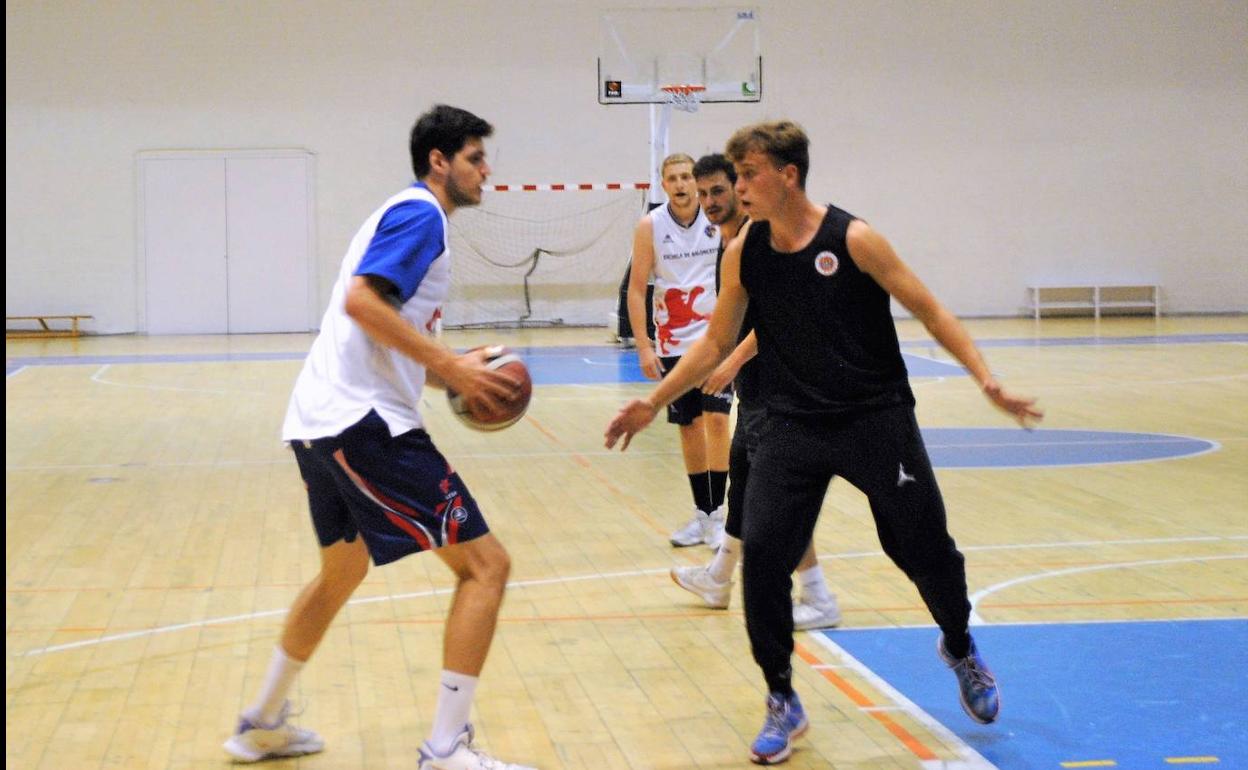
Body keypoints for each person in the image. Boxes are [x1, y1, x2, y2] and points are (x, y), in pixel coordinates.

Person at [607, 120, 1043, 765]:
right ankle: (782, 698)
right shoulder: (744, 251)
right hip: (791, 427)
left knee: (925, 551)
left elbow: (931, 310)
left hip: (876, 420)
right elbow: (714, 340)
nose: (737, 187)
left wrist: (988, 380)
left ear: (787, 175)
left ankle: (959, 644)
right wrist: (654, 398)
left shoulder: (855, 239)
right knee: (763, 565)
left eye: (748, 174)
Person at [223, 105, 536, 770]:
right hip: (364, 424)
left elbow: (378, 330)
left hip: (319, 420)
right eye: (476, 158)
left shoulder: (400, 216)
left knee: (341, 570)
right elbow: (362, 303)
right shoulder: (422, 214)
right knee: (487, 568)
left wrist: (445, 375)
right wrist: (451, 366)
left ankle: (262, 723)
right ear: (439, 161)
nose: (487, 170)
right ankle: (446, 749)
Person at [670, 154, 841, 632]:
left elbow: (779, 318)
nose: (709, 202)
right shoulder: (729, 242)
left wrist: (730, 361)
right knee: (746, 485)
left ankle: (818, 595)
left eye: (717, 191)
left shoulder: (758, 240)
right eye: (703, 194)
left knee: (777, 495)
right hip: (761, 391)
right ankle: (720, 576)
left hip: (785, 388)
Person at [627, 153, 732, 548]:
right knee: (690, 427)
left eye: (687, 176)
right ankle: (702, 514)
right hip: (672, 340)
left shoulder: (717, 219)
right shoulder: (649, 227)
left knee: (718, 420)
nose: (681, 184)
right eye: (673, 178)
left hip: (715, 338)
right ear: (663, 184)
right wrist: (644, 345)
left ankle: (720, 514)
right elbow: (637, 289)